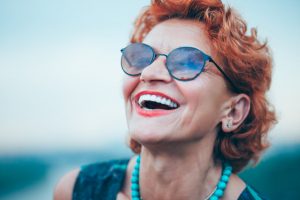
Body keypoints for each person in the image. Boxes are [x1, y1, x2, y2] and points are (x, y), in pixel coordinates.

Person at [54, 0, 277, 199]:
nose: (149, 73)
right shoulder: (76, 191)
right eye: (140, 57)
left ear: (233, 112)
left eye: (187, 62)